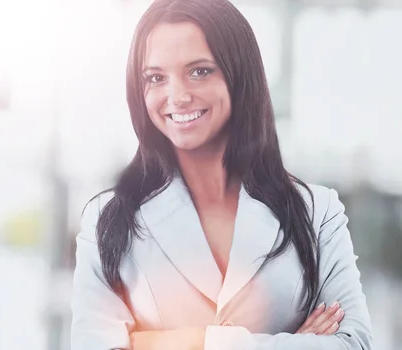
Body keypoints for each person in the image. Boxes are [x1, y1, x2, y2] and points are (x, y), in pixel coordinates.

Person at [70, 0, 373, 349]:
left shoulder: (317, 212)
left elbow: (355, 344)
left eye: (199, 71)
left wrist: (192, 342)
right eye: (156, 77)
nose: (177, 96)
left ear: (239, 75)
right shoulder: (107, 219)